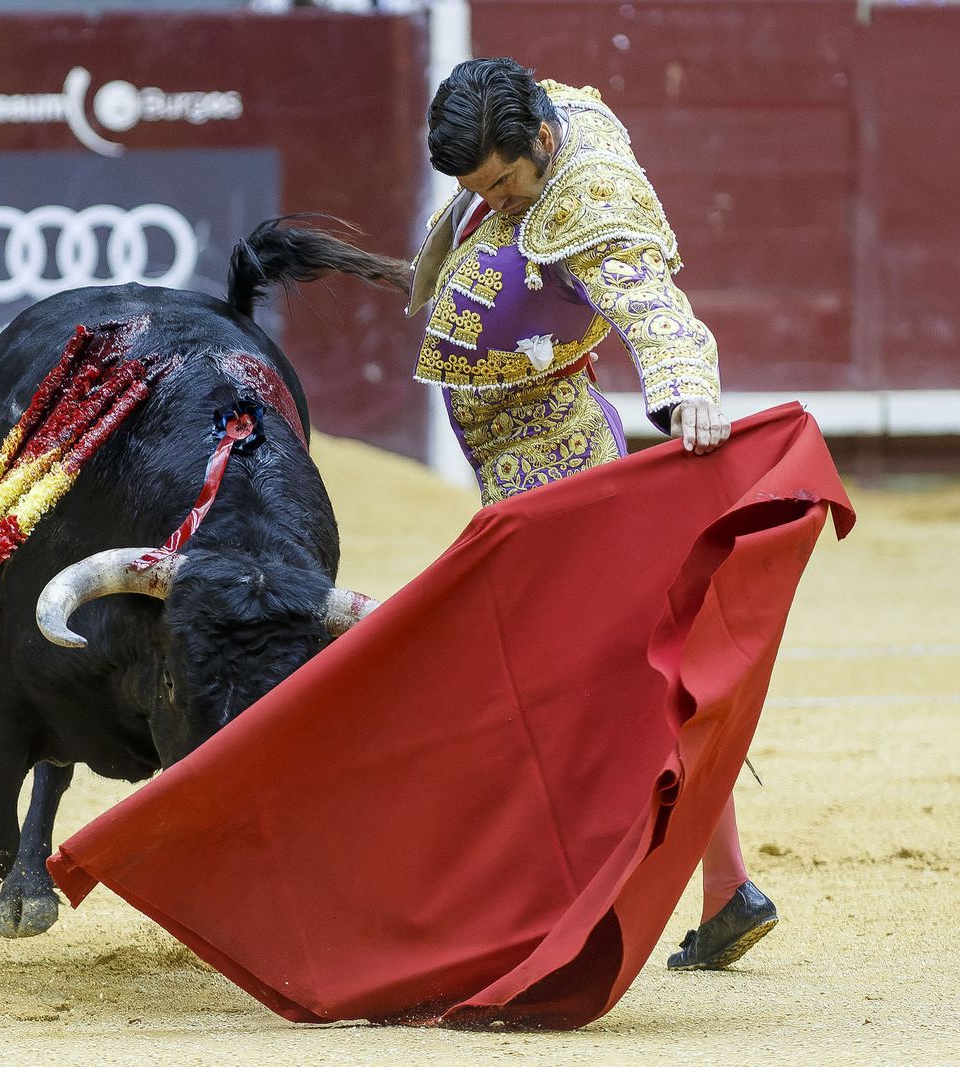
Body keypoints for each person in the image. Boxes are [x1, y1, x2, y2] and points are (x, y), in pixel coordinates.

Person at [407, 57, 774, 971]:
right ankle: (727, 884)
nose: (494, 204)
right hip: (523, 434)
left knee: (564, 678)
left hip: (548, 445)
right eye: (474, 190)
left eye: (501, 186)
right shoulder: (538, 115)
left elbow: (653, 305)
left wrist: (687, 389)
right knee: (618, 667)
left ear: (539, 145)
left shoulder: (590, 201)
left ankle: (557, 898)